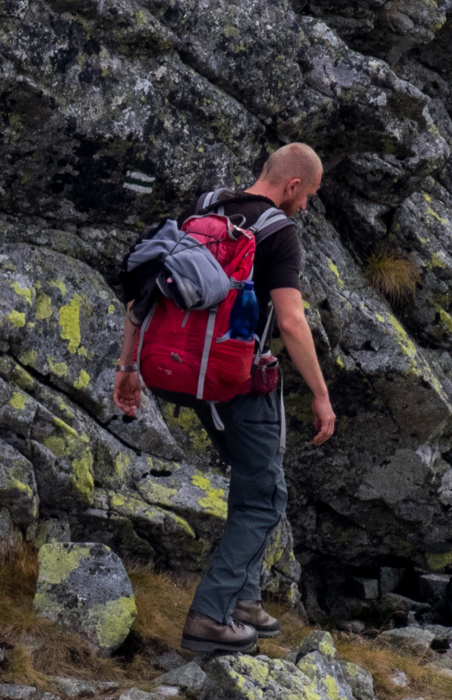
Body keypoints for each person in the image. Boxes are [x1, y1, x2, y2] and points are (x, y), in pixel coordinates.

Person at [112, 143, 337, 654]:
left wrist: (128, 368)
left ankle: (245, 602)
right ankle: (210, 617)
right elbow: (291, 321)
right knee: (265, 496)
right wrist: (321, 397)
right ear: (293, 186)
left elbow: (143, 292)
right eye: (308, 197)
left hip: (175, 371)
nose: (305, 208)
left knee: (255, 475)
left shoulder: (207, 209)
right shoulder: (278, 233)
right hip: (235, 382)